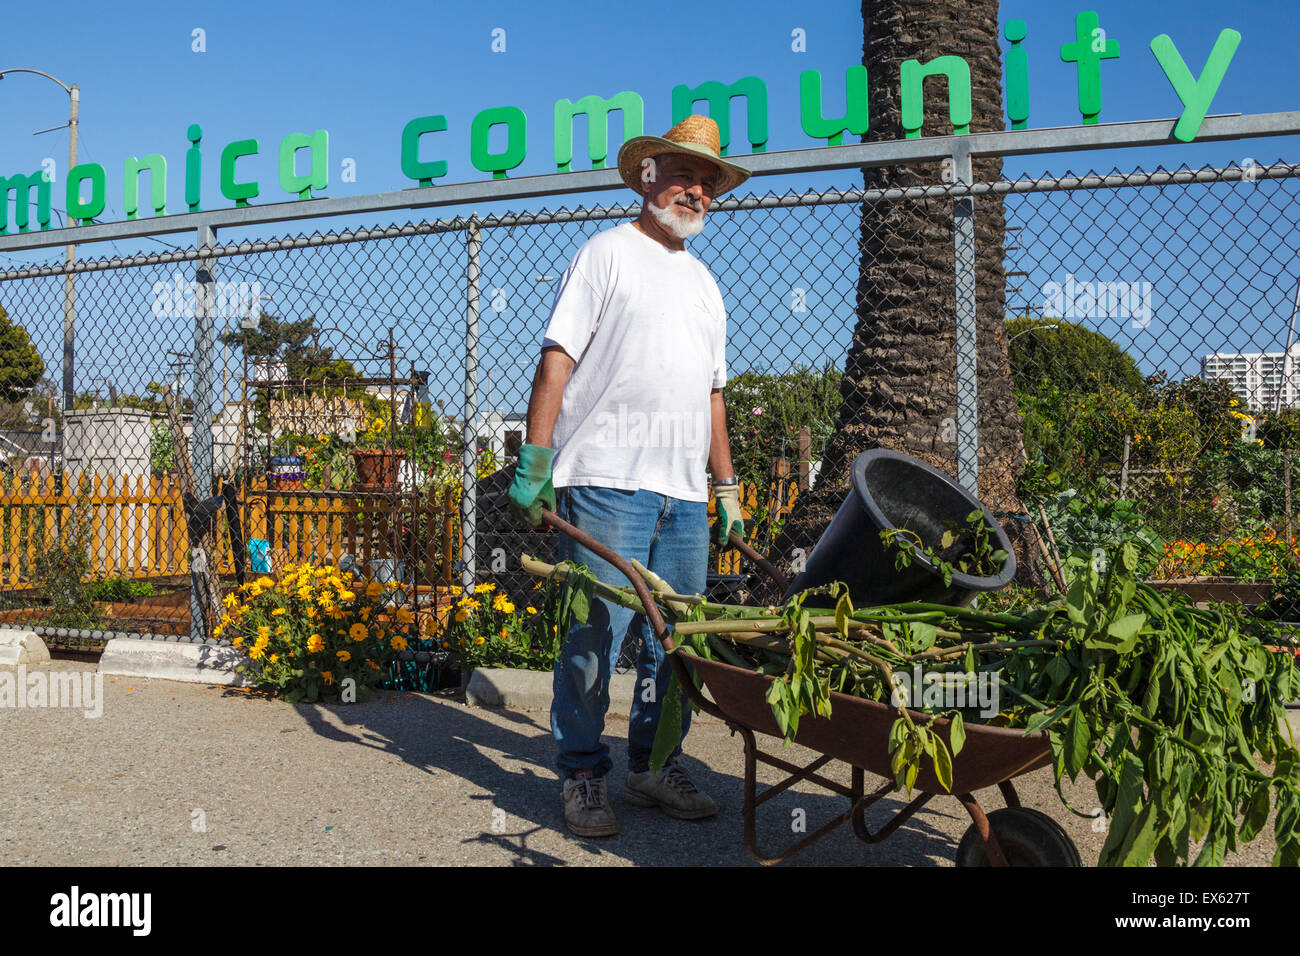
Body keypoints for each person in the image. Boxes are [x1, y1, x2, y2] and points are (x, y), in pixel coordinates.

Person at [508, 115, 749, 837]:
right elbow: (558, 359)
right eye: (683, 174)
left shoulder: (706, 286)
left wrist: (727, 488)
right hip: (607, 479)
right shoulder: (605, 254)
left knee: (677, 643)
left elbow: (713, 395)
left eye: (707, 182)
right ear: (649, 177)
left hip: (681, 494)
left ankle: (652, 765)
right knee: (593, 637)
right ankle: (583, 773)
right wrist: (537, 459)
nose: (696, 191)